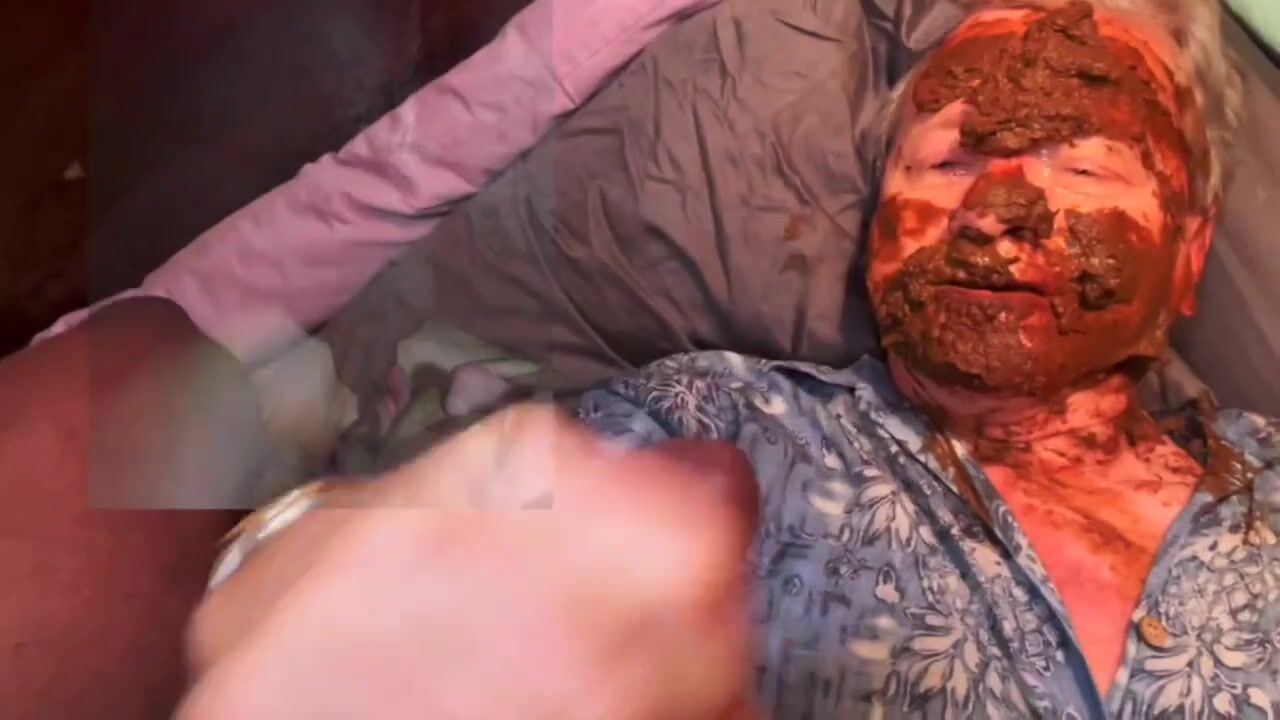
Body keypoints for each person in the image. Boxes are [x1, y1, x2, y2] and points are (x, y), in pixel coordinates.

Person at [188, 0, 1279, 718]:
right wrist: (313, 567)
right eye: (949, 160)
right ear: (872, 221)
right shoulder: (721, 431)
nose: (997, 209)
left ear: (1190, 256)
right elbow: (430, 561)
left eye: (1079, 168)